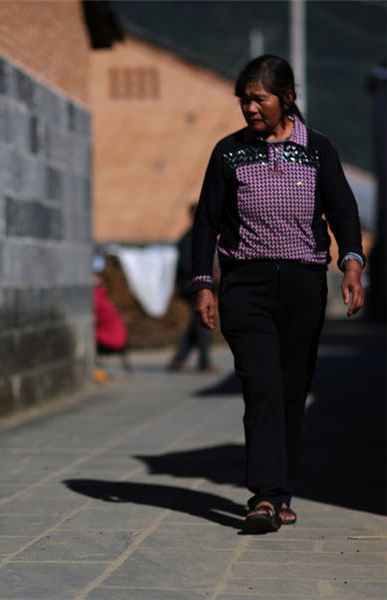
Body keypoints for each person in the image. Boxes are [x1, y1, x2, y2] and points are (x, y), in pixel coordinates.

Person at [191, 55, 365, 532]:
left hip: (304, 284)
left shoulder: (318, 150)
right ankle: (265, 497)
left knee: (291, 390)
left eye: (258, 99)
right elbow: (205, 223)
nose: (249, 108)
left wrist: (351, 262)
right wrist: (204, 284)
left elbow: (343, 210)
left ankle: (282, 489)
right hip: (245, 285)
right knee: (262, 387)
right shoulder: (228, 153)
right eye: (244, 100)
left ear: (286, 98)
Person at [169, 203, 215, 373]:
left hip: (194, 285)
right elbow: (186, 266)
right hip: (191, 286)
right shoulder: (190, 238)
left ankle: (179, 358)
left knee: (197, 323)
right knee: (203, 322)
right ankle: (204, 361)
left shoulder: (200, 236)